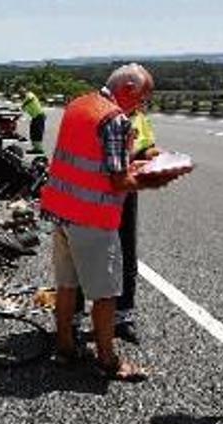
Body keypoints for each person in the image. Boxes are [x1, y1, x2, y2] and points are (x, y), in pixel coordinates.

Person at [40, 63, 162, 382]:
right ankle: (108, 361)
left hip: (62, 212)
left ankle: (65, 348)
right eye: (142, 99)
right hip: (91, 218)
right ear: (128, 89)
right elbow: (118, 180)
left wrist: (132, 159)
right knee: (105, 293)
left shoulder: (79, 105)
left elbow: (89, 157)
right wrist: (154, 176)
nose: (141, 107)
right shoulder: (115, 119)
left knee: (67, 285)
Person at [73, 95, 159, 345]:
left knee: (126, 254)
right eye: (141, 96)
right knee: (83, 255)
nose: (143, 103)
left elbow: (147, 146)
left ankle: (122, 318)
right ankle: (74, 321)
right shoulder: (97, 114)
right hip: (93, 193)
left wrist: (153, 156)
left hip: (125, 194)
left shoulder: (138, 118)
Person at [21, 88, 46, 153]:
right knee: (33, 133)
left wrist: (24, 104)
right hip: (35, 117)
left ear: (25, 91)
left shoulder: (30, 94)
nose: (21, 94)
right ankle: (35, 148)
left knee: (37, 133)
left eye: (22, 92)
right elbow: (22, 110)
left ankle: (39, 149)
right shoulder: (25, 99)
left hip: (39, 116)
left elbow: (30, 99)